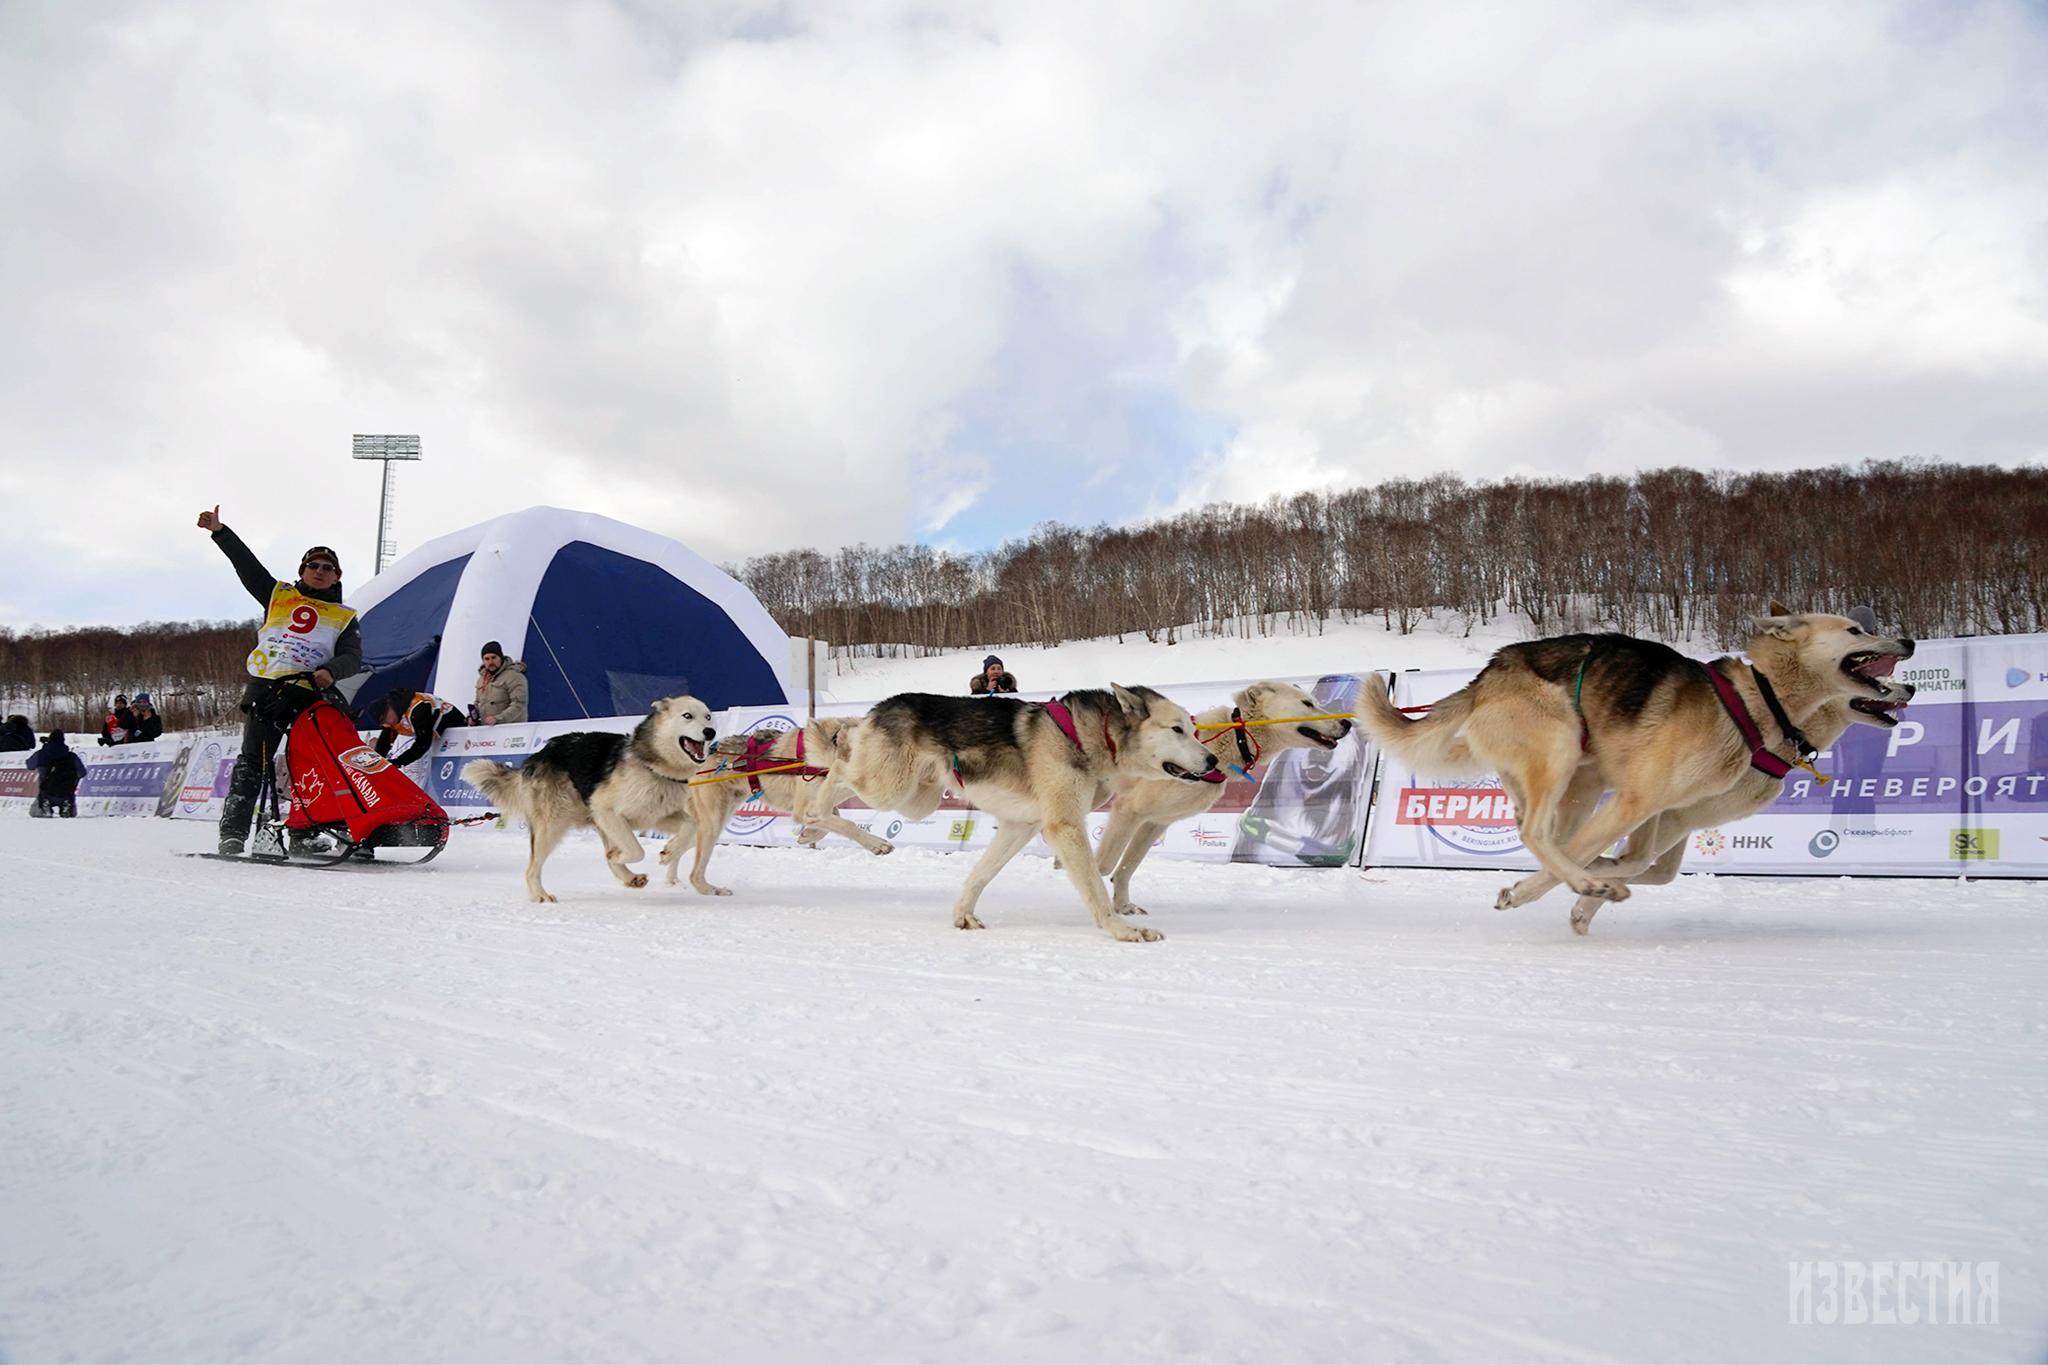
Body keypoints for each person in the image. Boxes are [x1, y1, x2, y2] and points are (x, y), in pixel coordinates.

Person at [197, 504, 362, 855]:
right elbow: (248, 568)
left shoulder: (345, 615)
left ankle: (304, 834)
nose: (320, 571)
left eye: (327, 568)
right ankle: (234, 833)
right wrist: (221, 532)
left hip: (310, 695)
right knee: (253, 762)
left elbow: (352, 656)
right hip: (268, 690)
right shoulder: (279, 595)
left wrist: (331, 672)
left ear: (337, 577)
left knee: (312, 766)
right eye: (313, 565)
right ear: (302, 570)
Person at [374, 688, 466, 768]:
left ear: (389, 708)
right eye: (382, 723)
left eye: (384, 720)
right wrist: (376, 762)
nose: (386, 724)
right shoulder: (394, 712)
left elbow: (423, 743)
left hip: (457, 734)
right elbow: (384, 740)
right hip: (438, 738)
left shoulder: (418, 709)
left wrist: (399, 762)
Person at [26, 730, 86, 818]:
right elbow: (82, 772)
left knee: (33, 813)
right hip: (67, 793)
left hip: (46, 792)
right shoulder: (72, 756)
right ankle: (67, 807)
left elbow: (30, 765)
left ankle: (45, 807)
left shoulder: (41, 754)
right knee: (70, 809)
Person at [475, 641, 529, 725]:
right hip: (487, 730)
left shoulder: (514, 676)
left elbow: (519, 704)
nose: (490, 662)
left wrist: (498, 719)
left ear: (501, 657)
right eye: (487, 659)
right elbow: (478, 703)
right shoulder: (482, 679)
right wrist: (472, 718)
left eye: (494, 657)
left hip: (511, 730)